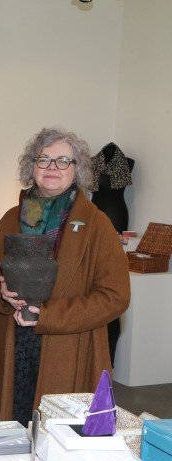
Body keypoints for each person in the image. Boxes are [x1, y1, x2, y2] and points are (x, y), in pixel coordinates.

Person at [0, 128, 130, 427]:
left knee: (55, 442)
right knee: (6, 431)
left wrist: (49, 315)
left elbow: (115, 297)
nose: (52, 167)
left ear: (77, 170)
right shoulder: (11, 218)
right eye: (44, 159)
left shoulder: (97, 224)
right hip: (9, 343)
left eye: (63, 160)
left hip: (68, 347)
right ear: (31, 167)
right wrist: (0, 294)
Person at [91, 141, 134, 365]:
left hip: (116, 216)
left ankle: (109, 356)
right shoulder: (94, 162)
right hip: (95, 215)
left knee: (109, 280)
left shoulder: (126, 163)